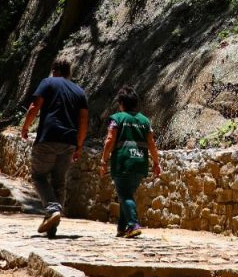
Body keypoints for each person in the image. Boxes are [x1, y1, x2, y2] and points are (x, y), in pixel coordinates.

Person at [20, 59, 88, 237]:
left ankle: (52, 209)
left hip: (48, 137)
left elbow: (35, 106)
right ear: (69, 71)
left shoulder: (48, 82)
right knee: (59, 182)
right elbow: (83, 121)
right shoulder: (79, 91)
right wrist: (79, 145)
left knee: (39, 175)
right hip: (69, 141)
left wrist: (26, 127)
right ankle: (52, 226)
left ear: (54, 70)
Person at [99, 85, 160, 238]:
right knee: (127, 194)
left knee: (124, 196)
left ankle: (133, 224)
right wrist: (157, 163)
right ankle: (121, 227)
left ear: (121, 103)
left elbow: (110, 140)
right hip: (140, 163)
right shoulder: (145, 121)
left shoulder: (117, 119)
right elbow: (152, 144)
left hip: (123, 162)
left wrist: (103, 161)